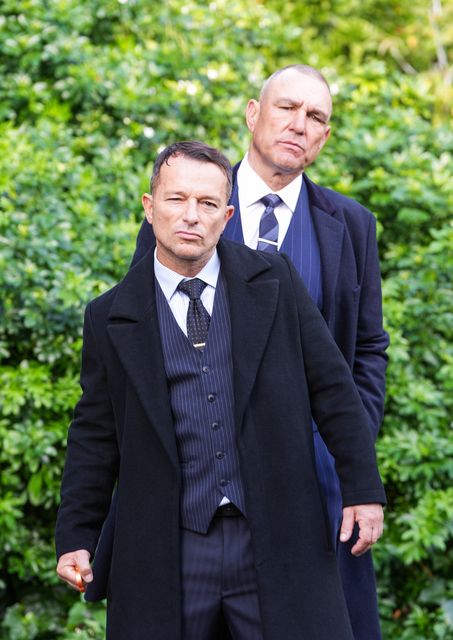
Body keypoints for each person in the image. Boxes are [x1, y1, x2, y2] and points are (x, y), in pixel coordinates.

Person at [56, 141, 386, 640]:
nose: (191, 215)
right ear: (150, 208)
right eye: (176, 199)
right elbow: (95, 434)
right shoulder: (110, 316)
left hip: (276, 535)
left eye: (208, 204)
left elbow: (334, 389)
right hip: (171, 547)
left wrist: (363, 489)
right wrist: (77, 535)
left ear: (227, 214)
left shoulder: (273, 279)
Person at [133, 65, 389, 640]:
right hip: (203, 488)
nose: (299, 125)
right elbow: (143, 341)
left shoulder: (351, 225)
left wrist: (346, 443)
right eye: (286, 109)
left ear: (325, 136)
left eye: (316, 117)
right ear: (253, 113)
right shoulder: (188, 208)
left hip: (317, 483)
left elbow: (368, 346)